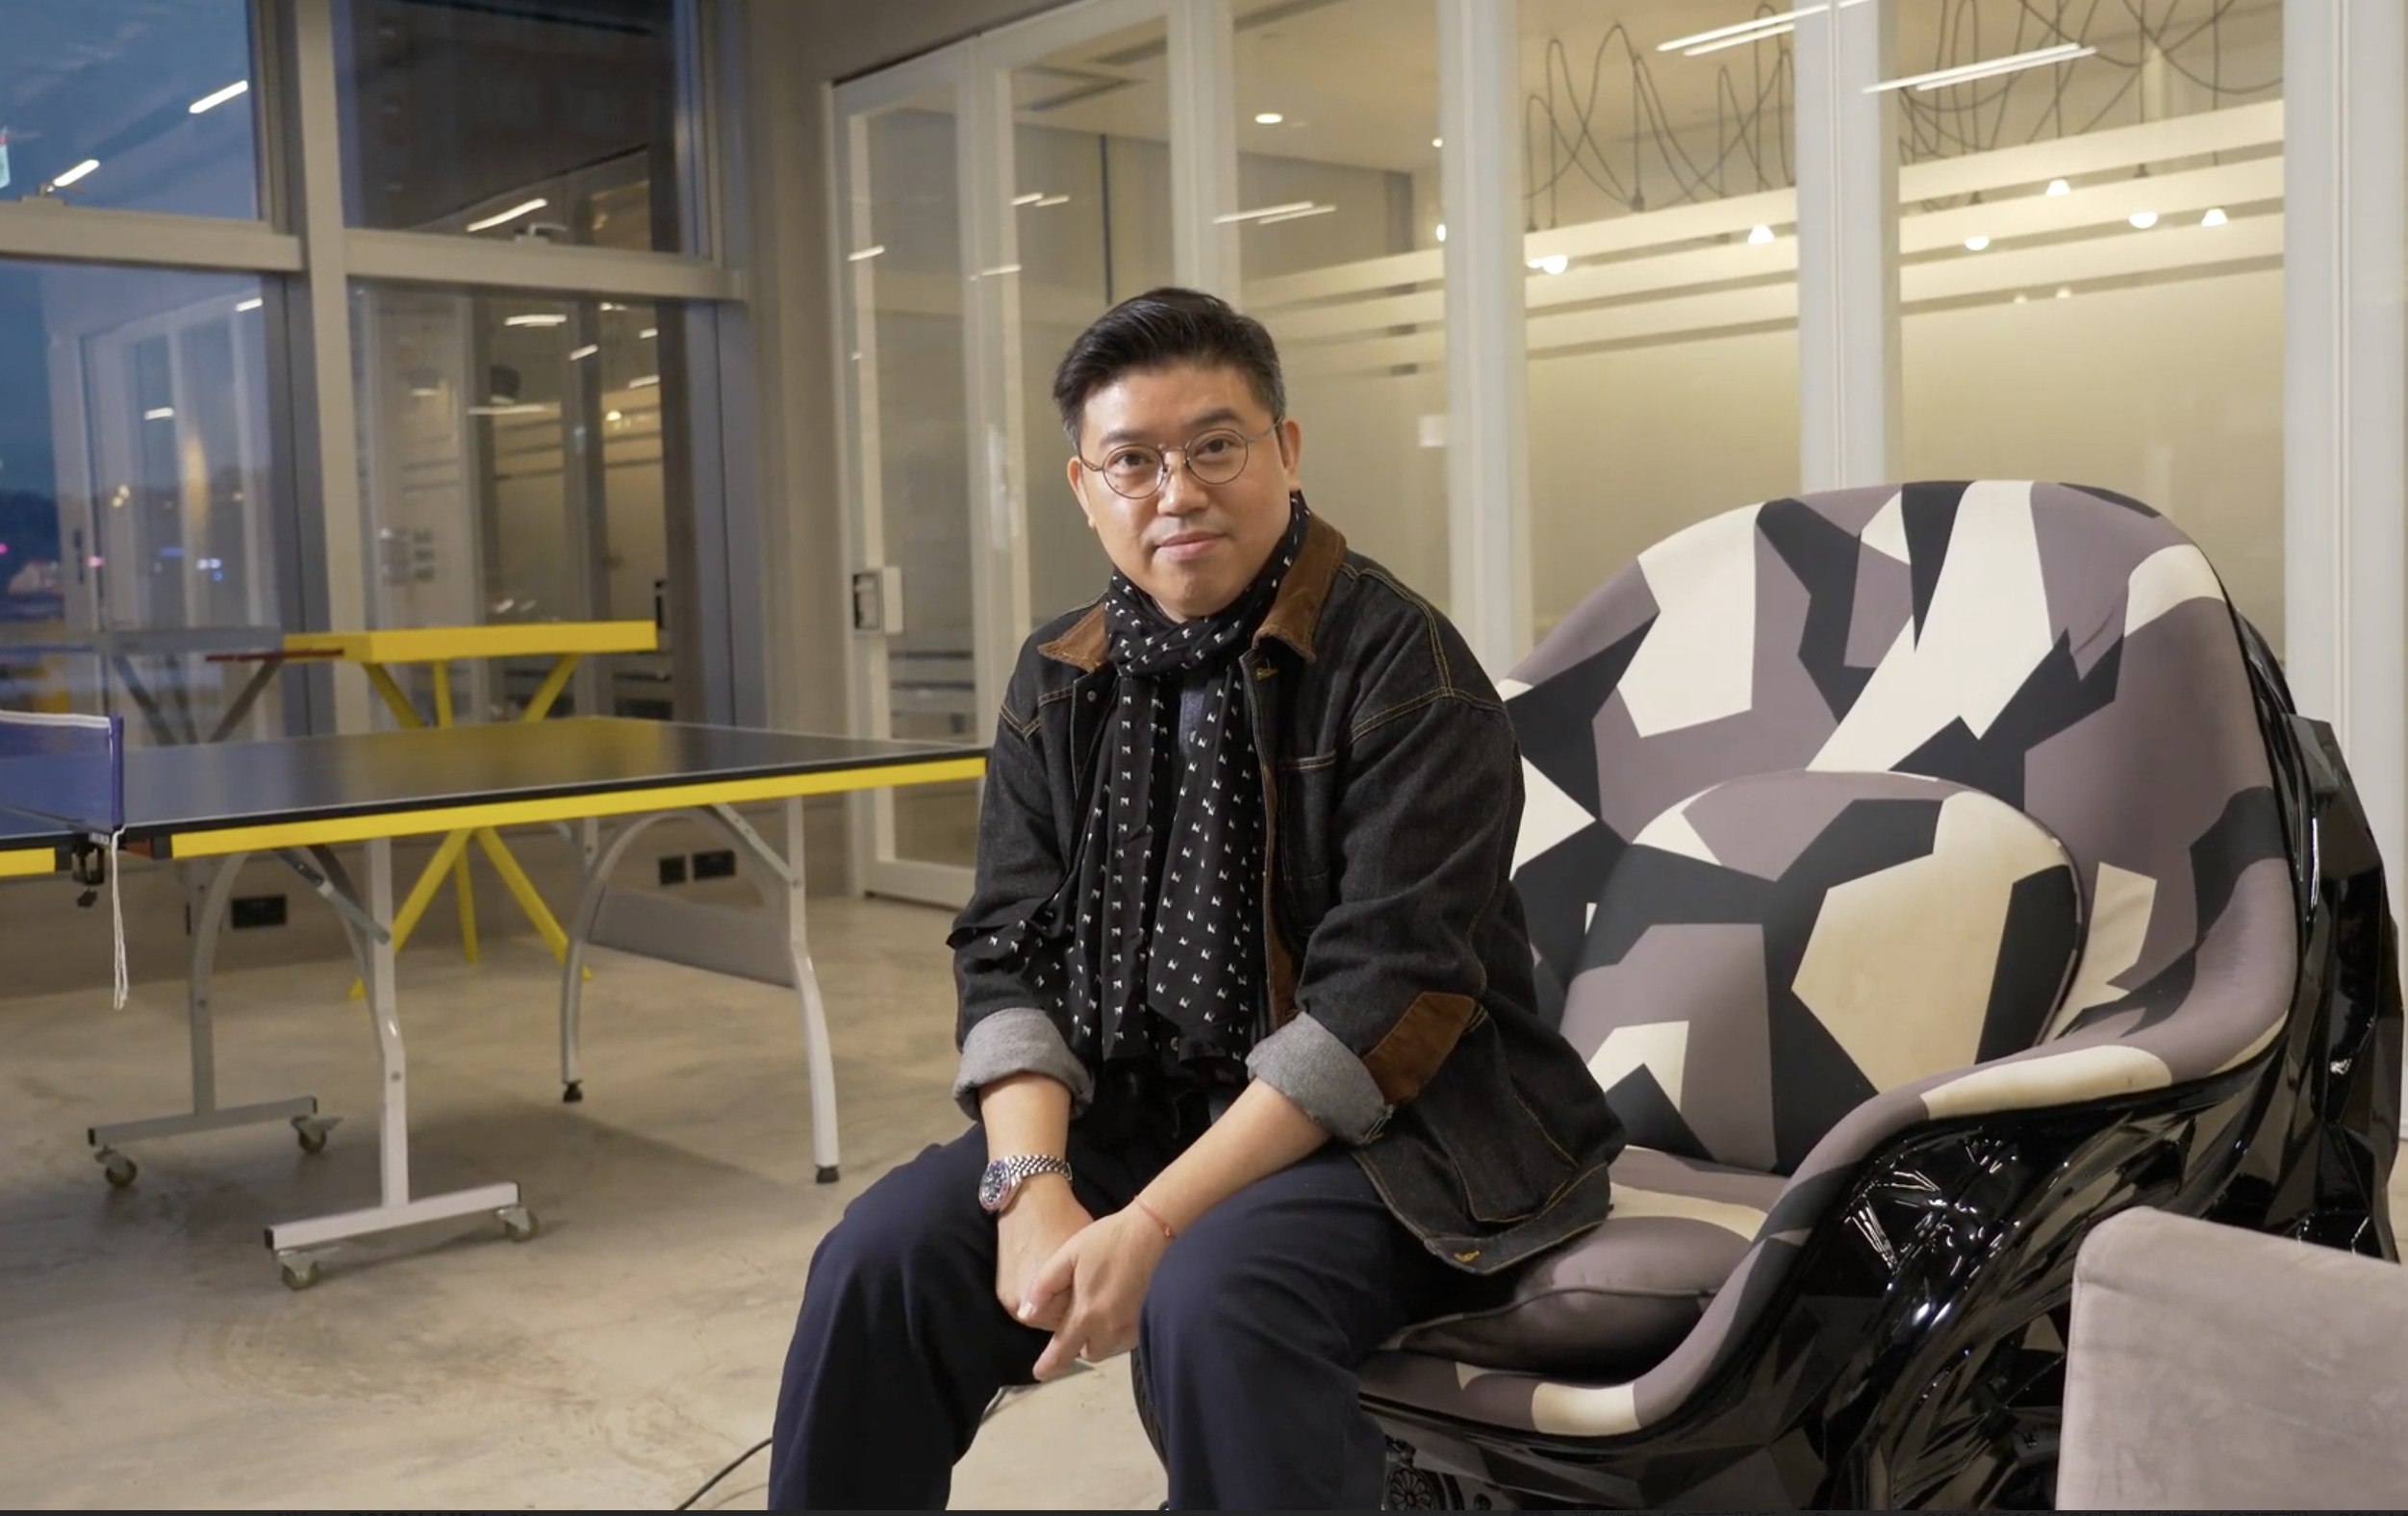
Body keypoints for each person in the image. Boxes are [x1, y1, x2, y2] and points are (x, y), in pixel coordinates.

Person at [767, 287, 1625, 1510]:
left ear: (1286, 449)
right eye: (1133, 460)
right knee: (880, 1259)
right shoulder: (1058, 676)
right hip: (1140, 1103)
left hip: (1404, 1140)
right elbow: (1006, 951)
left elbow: (1383, 1008)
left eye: (1214, 446)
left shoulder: (1409, 673)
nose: (1176, 492)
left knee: (1216, 1293)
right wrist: (1031, 1185)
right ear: (1085, 487)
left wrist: (1153, 1222)